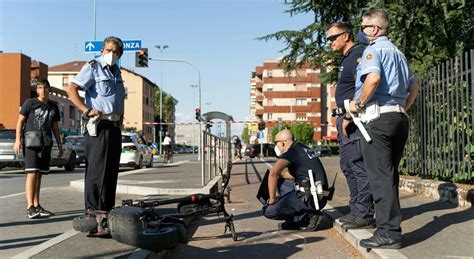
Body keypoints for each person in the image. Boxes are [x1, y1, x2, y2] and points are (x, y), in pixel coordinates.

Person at [346, 8, 420, 249]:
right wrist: (400, 108)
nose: (361, 31)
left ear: (375, 29)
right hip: (398, 118)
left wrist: (357, 105)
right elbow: (414, 86)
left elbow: (373, 79)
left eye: (364, 27)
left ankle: (388, 233)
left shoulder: (373, 50)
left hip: (377, 120)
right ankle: (390, 229)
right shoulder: (398, 53)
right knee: (390, 177)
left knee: (380, 178)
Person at [66, 36, 125, 236]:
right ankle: (93, 215)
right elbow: (71, 89)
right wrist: (86, 109)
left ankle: (106, 215)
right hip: (99, 126)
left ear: (120, 55)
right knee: (97, 171)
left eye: (115, 52)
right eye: (108, 50)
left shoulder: (117, 72)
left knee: (110, 172)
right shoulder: (93, 67)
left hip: (114, 126)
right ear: (102, 51)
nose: (111, 54)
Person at [326, 22, 375, 229]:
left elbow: (363, 85)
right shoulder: (347, 58)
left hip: (353, 119)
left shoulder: (359, 53)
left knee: (357, 165)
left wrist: (349, 114)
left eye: (332, 38)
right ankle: (356, 209)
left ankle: (364, 213)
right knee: (348, 166)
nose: (329, 43)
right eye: (328, 39)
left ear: (346, 36)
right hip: (345, 118)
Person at [13, 79, 63, 219]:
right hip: (31, 142)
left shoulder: (54, 106)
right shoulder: (30, 103)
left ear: (49, 89)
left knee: (40, 175)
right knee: (32, 174)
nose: (43, 90)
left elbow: (55, 128)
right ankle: (30, 207)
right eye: (40, 87)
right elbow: (20, 121)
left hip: (46, 144)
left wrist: (59, 145)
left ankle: (37, 205)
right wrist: (18, 140)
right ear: (37, 90)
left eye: (45, 87)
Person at [262, 129, 329, 231]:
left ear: (283, 143)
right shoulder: (302, 148)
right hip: (320, 195)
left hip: (311, 199)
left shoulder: (291, 152)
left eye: (276, 143)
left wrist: (272, 198)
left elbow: (273, 173)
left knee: (269, 211)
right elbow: (292, 175)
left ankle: (310, 215)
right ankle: (297, 220)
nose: (276, 147)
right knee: (281, 181)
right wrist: (279, 174)